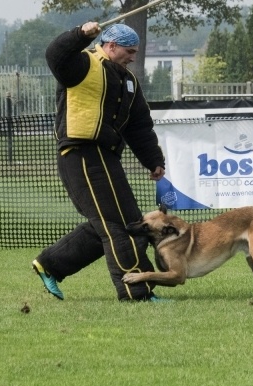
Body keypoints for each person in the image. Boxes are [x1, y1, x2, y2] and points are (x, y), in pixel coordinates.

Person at [32, 22, 167, 302]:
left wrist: (153, 159)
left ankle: (51, 264)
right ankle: (136, 291)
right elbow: (55, 55)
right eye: (129, 51)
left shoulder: (129, 81)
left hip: (106, 157)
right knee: (123, 225)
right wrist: (80, 33)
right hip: (81, 154)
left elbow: (139, 126)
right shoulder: (82, 65)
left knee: (110, 222)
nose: (133, 57)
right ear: (111, 46)